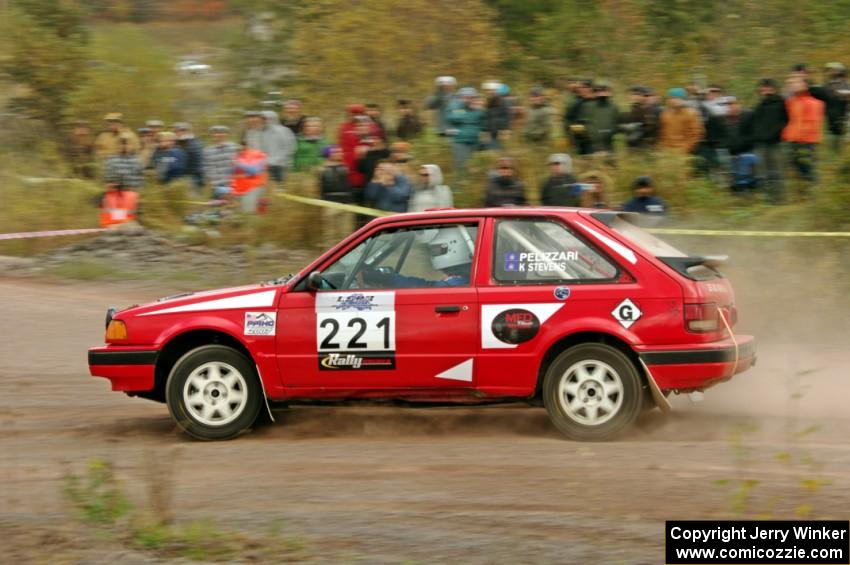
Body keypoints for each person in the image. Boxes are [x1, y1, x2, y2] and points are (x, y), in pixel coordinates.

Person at [362, 227, 474, 288]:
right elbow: (426, 285)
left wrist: (386, 278)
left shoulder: (455, 284)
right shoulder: (463, 279)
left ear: (454, 248)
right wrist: (388, 278)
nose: (434, 255)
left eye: (438, 250)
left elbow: (424, 287)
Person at [783, 73, 824, 188]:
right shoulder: (790, 102)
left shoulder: (814, 103)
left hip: (806, 142)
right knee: (797, 168)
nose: (792, 85)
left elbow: (812, 125)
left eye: (795, 82)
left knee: (808, 169)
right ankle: (805, 193)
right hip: (793, 140)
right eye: (790, 83)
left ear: (805, 84)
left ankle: (816, 192)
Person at [318, 145, 353, 242]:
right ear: (329, 154)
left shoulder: (344, 168)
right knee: (330, 233)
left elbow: (348, 186)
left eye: (340, 152)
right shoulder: (322, 170)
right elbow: (321, 188)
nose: (340, 154)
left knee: (346, 233)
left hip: (346, 203)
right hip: (330, 203)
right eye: (336, 152)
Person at [447, 87, 485, 173]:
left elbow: (483, 123)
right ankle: (459, 181)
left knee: (474, 165)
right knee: (460, 164)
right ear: (460, 98)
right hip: (460, 140)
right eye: (465, 97)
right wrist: (465, 109)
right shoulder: (455, 106)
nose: (468, 100)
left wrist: (480, 110)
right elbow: (454, 118)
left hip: (475, 140)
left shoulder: (478, 109)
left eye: (471, 97)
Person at [659, 88, 704, 154]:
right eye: (671, 98)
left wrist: (685, 149)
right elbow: (662, 133)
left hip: (682, 151)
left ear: (683, 99)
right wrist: (661, 147)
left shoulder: (691, 113)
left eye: (676, 98)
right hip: (666, 151)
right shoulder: (665, 114)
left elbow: (697, 134)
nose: (673, 100)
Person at [580, 82, 620, 154]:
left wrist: (609, 132)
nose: (602, 93)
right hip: (591, 145)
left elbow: (616, 123)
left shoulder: (614, 107)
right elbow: (581, 125)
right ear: (595, 93)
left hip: (608, 145)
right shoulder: (587, 106)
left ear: (610, 93)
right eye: (600, 91)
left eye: (605, 91)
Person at [202, 125, 239, 198]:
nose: (219, 135)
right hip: (217, 185)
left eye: (222, 132)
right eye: (216, 133)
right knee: (217, 207)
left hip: (232, 184)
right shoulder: (207, 150)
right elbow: (206, 167)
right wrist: (211, 179)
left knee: (232, 206)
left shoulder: (234, 147)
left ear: (226, 134)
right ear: (212, 135)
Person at [231, 142, 268, 214]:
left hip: (254, 188)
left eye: (241, 149)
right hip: (240, 189)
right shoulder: (236, 157)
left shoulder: (257, 154)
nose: (239, 151)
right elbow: (233, 175)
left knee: (249, 212)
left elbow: (255, 171)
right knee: (242, 212)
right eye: (237, 149)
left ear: (246, 146)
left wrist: (239, 165)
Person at [823, 62, 850, 152]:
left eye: (832, 70)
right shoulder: (827, 85)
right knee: (831, 153)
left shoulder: (846, 85)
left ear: (839, 71)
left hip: (844, 126)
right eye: (829, 70)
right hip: (829, 126)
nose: (829, 72)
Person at [564, 79, 595, 155]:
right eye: (581, 87)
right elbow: (568, 120)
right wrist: (575, 134)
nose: (582, 89)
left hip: (596, 141)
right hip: (581, 141)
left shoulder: (597, 102)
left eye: (585, 87)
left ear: (591, 88)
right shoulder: (576, 104)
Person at [173, 122, 204, 193]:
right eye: (176, 131)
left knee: (193, 199)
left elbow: (190, 161)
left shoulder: (194, 143)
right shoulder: (179, 143)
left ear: (187, 131)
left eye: (182, 130)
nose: (178, 133)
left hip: (193, 177)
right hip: (184, 177)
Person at [482, 80, 511, 149]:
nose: (490, 92)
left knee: (498, 151)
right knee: (488, 150)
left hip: (500, 132)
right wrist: (485, 129)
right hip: (489, 132)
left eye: (493, 90)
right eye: (489, 90)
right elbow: (486, 117)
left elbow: (507, 116)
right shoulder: (487, 102)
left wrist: (502, 127)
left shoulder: (502, 102)